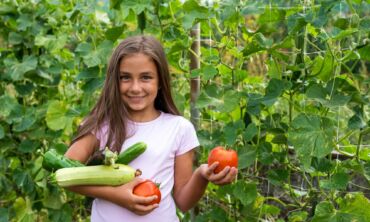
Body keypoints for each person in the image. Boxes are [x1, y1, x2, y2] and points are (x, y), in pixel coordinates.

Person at [64, 35, 238, 222]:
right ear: (114, 80)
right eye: (125, 78)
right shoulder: (102, 125)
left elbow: (184, 201)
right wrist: (117, 195)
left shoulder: (179, 128)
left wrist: (202, 174)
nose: (135, 87)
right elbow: (65, 175)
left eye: (146, 77)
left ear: (161, 81)